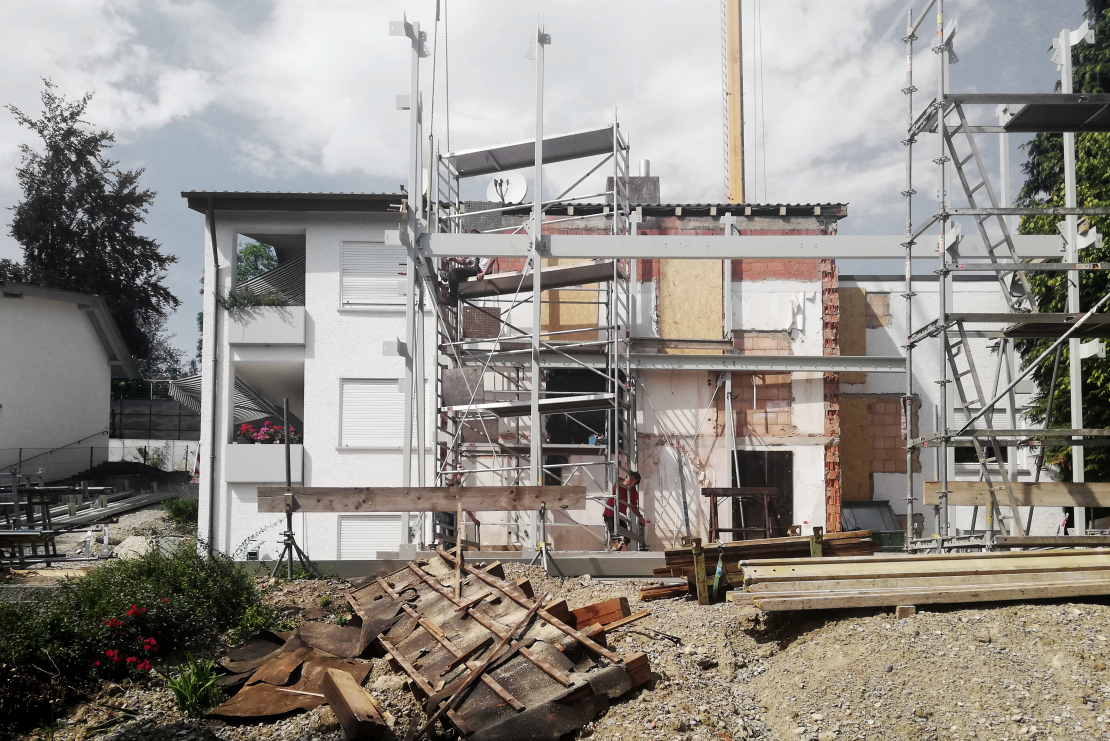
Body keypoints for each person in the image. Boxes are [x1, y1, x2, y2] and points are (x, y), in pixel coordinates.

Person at [604, 471, 645, 548]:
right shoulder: (620, 480)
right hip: (610, 513)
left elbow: (634, 507)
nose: (629, 479)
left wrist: (640, 516)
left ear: (635, 482)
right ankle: (614, 550)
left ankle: (617, 549)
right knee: (615, 535)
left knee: (626, 538)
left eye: (632, 479)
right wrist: (625, 483)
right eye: (629, 477)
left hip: (621, 516)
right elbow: (621, 483)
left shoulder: (633, 492)